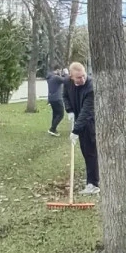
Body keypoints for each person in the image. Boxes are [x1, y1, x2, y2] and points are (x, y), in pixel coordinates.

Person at [63, 62, 99, 195]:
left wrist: (75, 130)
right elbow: (65, 96)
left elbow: (87, 111)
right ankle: (91, 179)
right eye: (78, 77)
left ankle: (93, 184)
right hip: (78, 118)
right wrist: (69, 110)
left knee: (90, 152)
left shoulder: (91, 87)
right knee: (85, 152)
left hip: (89, 122)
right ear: (71, 77)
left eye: (84, 76)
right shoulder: (67, 83)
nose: (82, 79)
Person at [46, 67, 68, 136]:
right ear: (57, 70)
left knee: (55, 114)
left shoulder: (50, 77)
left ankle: (53, 129)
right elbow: (66, 80)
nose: (60, 72)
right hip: (57, 99)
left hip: (51, 99)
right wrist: (66, 73)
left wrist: (62, 75)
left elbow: (60, 80)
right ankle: (52, 129)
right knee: (61, 114)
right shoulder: (56, 78)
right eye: (60, 70)